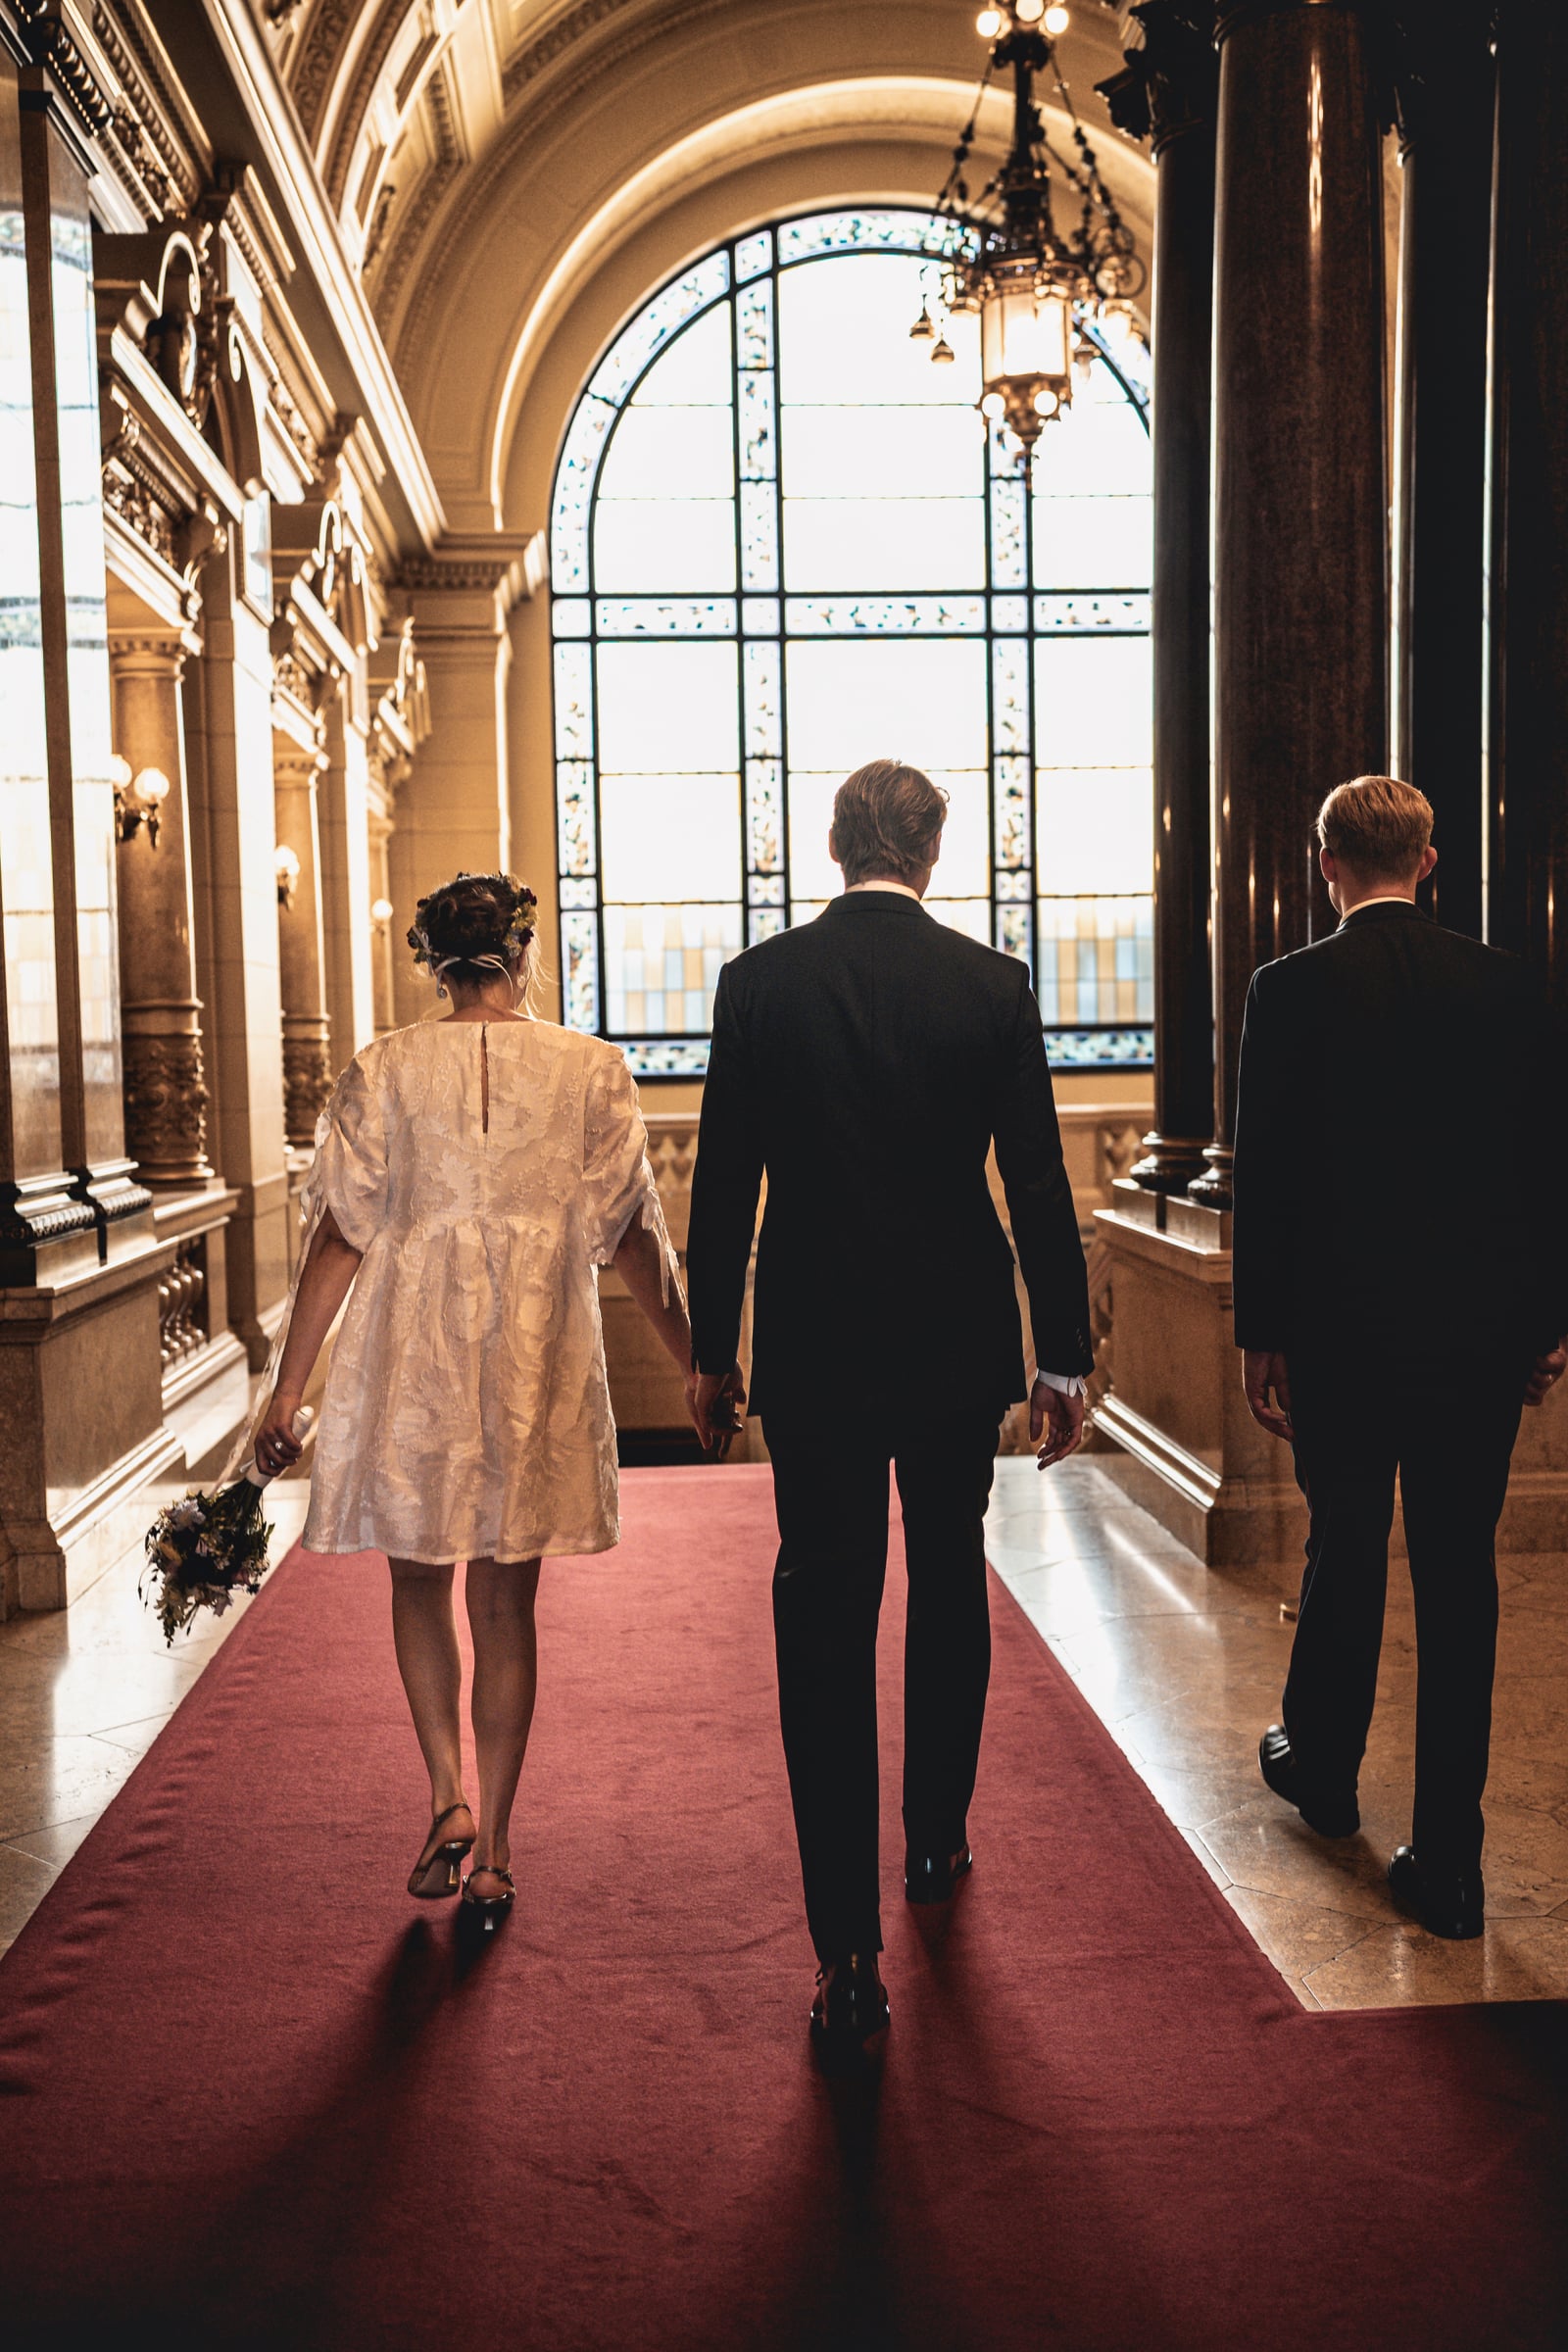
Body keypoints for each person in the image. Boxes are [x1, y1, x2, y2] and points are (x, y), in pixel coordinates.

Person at [684, 760, 1094, 2050]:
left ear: (831, 843)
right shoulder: (993, 985)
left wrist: (712, 1353)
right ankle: (934, 1845)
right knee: (951, 1577)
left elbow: (722, 1189)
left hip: (811, 1344)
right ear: (931, 853)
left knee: (824, 1608)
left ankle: (845, 1950)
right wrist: (1063, 1357)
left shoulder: (759, 987)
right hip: (954, 1339)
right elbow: (1036, 1184)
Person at [252, 872, 693, 1926]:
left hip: (412, 1350)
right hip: (532, 1349)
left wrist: (287, 1390)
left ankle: (445, 1795)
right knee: (505, 1602)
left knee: (417, 1581)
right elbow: (635, 1235)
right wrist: (697, 1360)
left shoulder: (383, 1068)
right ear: (526, 954)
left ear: (434, 962)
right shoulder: (591, 1071)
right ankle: (493, 1847)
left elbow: (338, 1236)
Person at [1233, 775, 1568, 1940]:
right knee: (1460, 1578)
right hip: (1475, 1335)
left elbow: (1265, 1176)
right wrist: (1544, 1320)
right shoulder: (1508, 983)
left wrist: (1259, 1331)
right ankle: (1450, 1862)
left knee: (1346, 1542)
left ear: (1325, 862)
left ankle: (1321, 1767)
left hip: (1339, 1331)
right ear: (1430, 863)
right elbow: (1545, 1166)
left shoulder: (1288, 989)